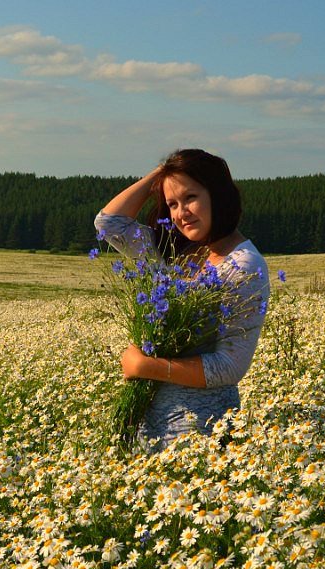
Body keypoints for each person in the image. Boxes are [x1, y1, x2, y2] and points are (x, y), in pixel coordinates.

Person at [95, 148, 270, 446]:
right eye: (171, 204)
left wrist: (145, 367)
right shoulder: (173, 251)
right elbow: (109, 223)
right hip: (149, 425)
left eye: (190, 198)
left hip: (200, 431)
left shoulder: (243, 265)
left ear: (218, 195)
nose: (180, 213)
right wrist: (163, 173)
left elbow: (229, 366)